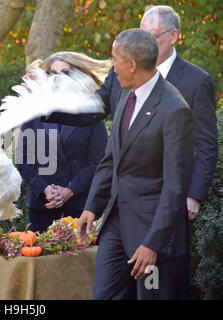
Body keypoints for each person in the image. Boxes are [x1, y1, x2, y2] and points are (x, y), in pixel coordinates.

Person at [44, 5, 218, 221]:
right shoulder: (120, 72)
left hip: (167, 198)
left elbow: (206, 145)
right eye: (141, 34)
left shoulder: (197, 82)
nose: (143, 42)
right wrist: (45, 107)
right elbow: (92, 110)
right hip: (120, 196)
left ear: (173, 36)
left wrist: (194, 195)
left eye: (152, 36)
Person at [77, 29, 195, 299]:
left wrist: (153, 243)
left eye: (114, 59)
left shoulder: (175, 111)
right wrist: (91, 207)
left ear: (131, 64)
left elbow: (175, 188)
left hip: (153, 237)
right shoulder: (124, 93)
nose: (112, 66)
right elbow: (111, 159)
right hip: (116, 227)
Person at [16, 52, 109, 232]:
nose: (58, 79)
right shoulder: (33, 110)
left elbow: (98, 161)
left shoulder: (90, 111)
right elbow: (23, 159)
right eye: (52, 73)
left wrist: (69, 191)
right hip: (42, 206)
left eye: (65, 73)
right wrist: (45, 190)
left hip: (80, 206)